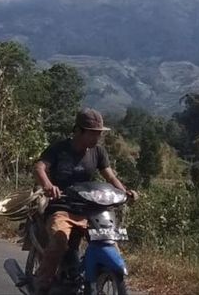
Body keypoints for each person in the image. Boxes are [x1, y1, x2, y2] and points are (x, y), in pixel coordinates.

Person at [32, 108, 137, 294]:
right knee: (59, 241)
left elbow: (110, 177)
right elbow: (40, 167)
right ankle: (42, 282)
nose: (97, 138)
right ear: (78, 131)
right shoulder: (59, 149)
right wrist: (48, 185)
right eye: (93, 134)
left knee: (108, 241)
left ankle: (90, 275)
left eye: (99, 134)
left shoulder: (98, 152)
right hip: (62, 207)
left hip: (91, 209)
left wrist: (125, 192)